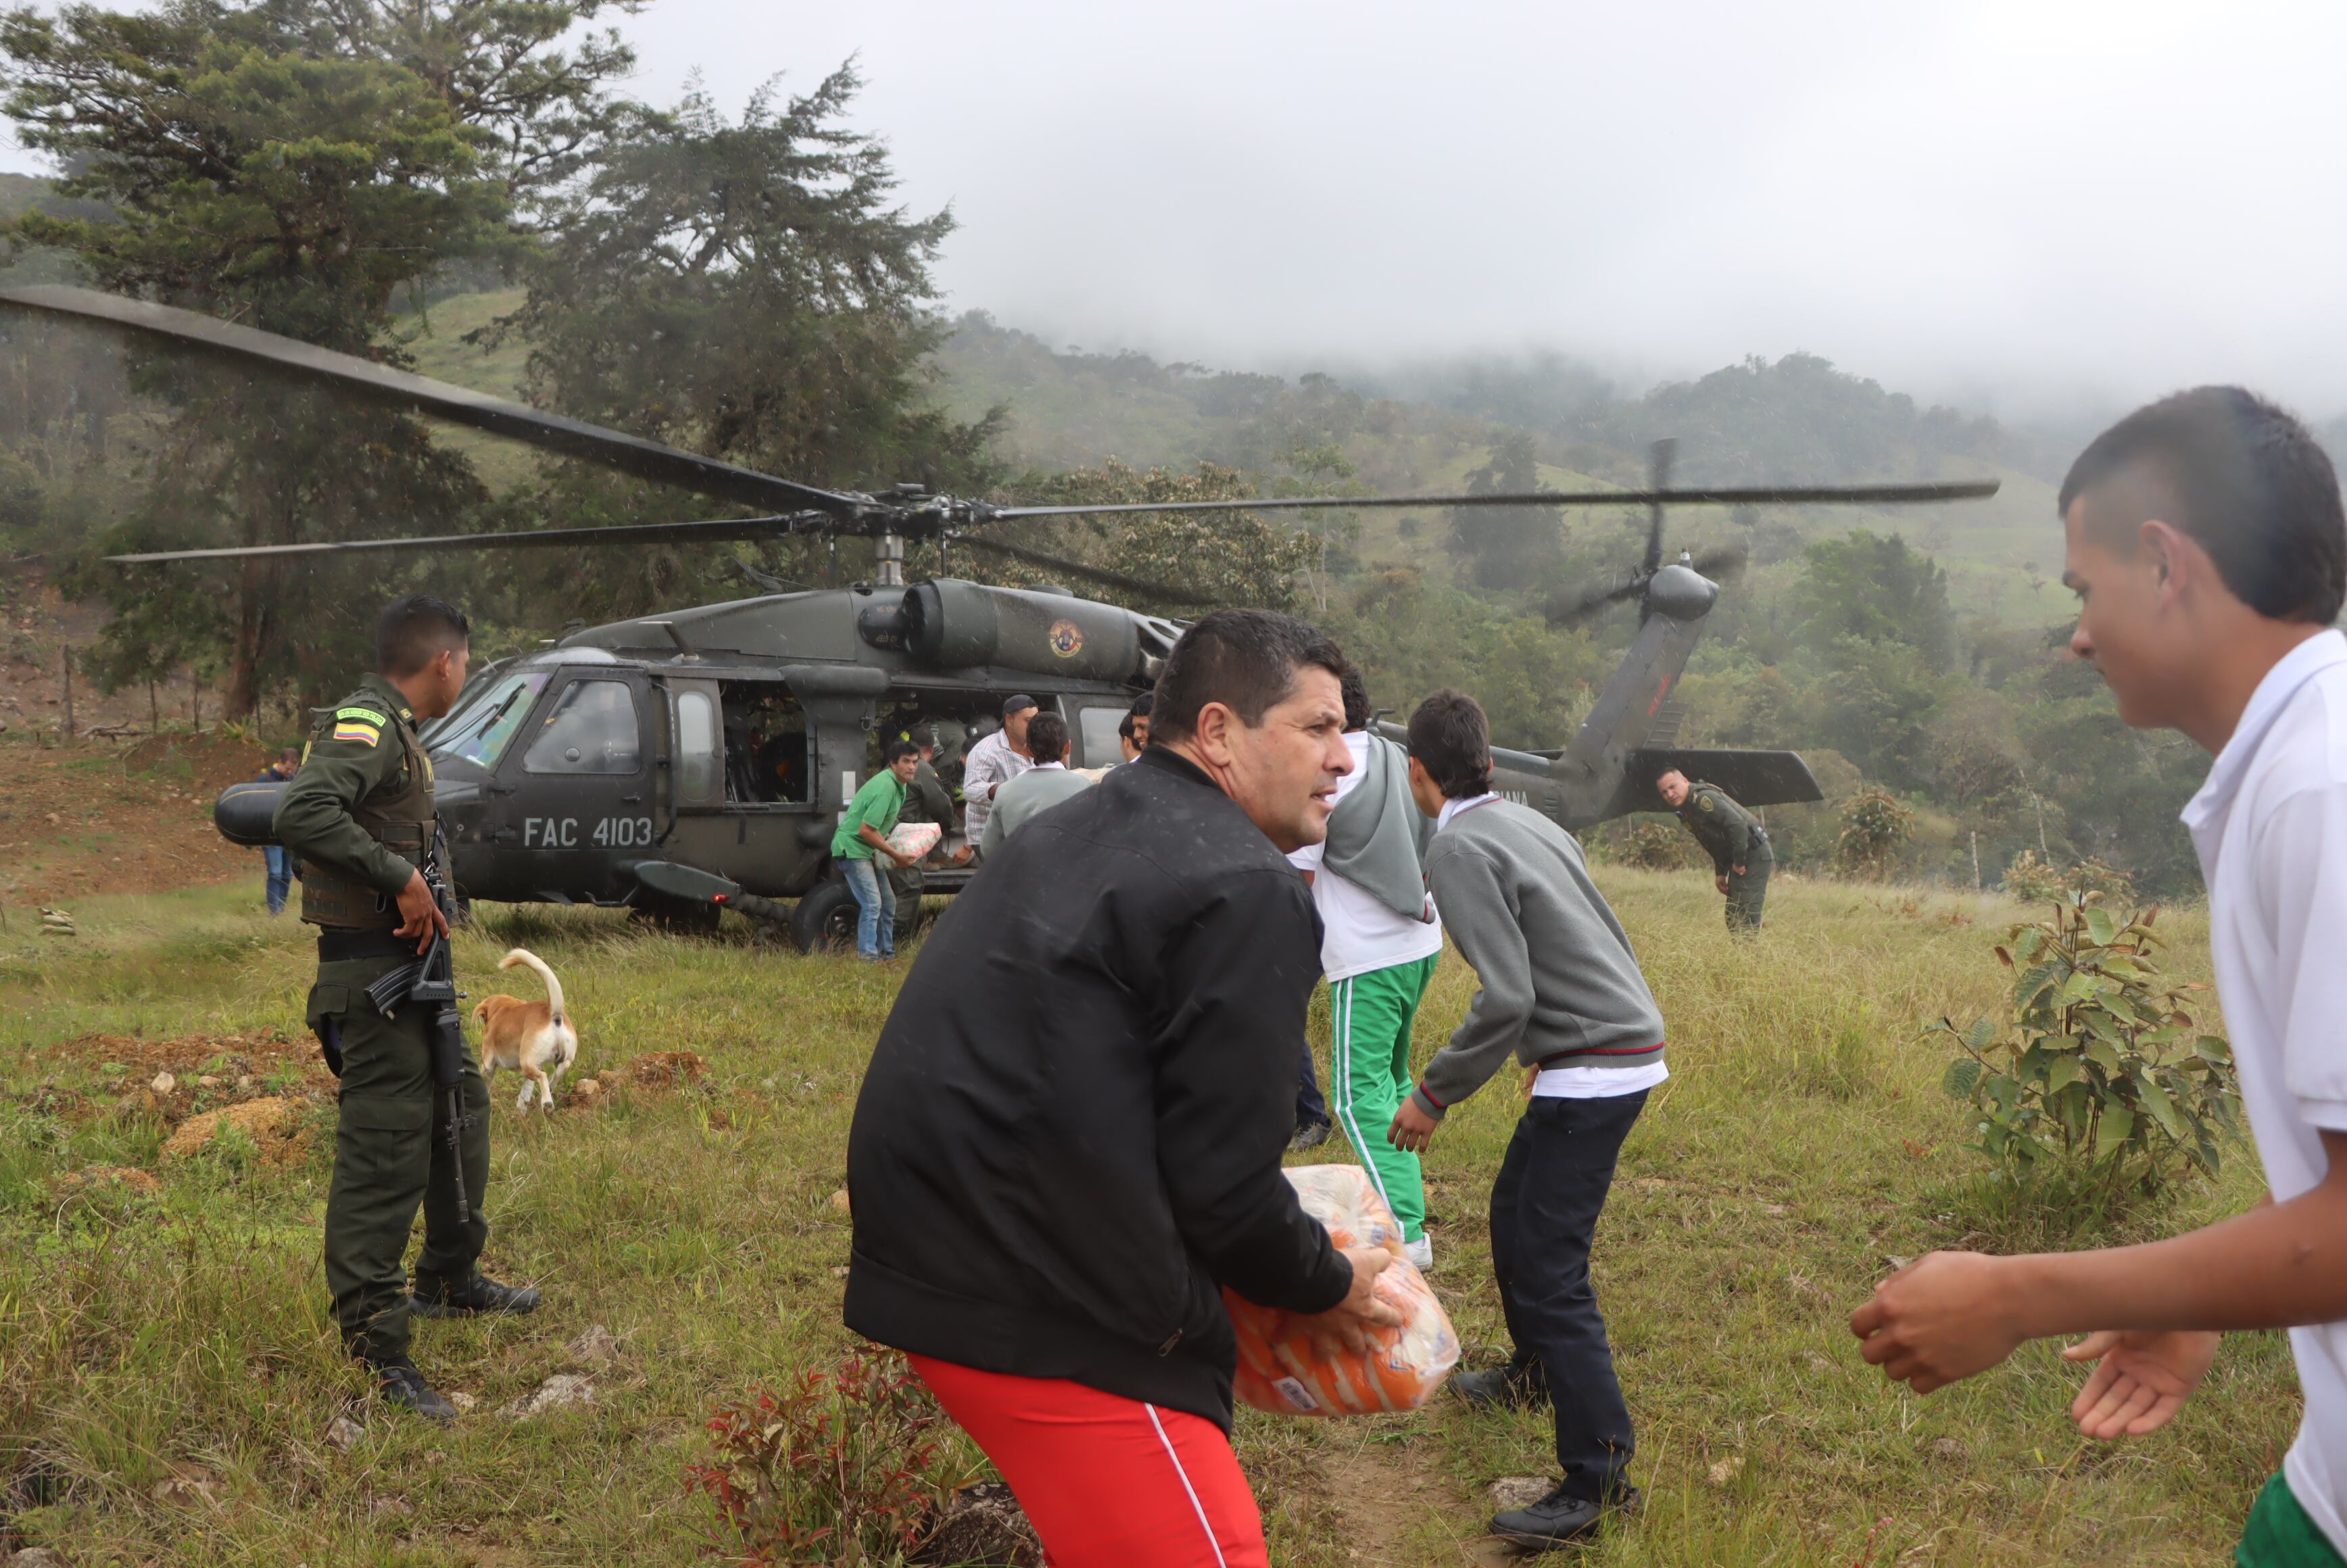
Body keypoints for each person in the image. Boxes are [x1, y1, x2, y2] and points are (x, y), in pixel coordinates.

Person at [1849, 388, 2347, 1568]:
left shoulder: (2320, 790)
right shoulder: (2292, 767)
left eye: (2082, 589)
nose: (2075, 634)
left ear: (2164, 564)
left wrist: (2023, 1294)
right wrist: (2185, 1295)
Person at [845, 610, 1401, 1568]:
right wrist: (1325, 1281)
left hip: (932, 1258)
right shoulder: (1242, 884)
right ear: (1219, 730)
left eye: (1343, 733)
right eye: (1316, 728)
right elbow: (1226, 1191)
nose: (1343, 760)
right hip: (1051, 1300)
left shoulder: (1075, 826)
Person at [1388, 687, 1664, 1550]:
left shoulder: (1459, 845)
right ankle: (1532, 1371)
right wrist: (1562, 1036)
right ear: (1490, 759)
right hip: (1605, 1048)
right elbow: (1590, 935)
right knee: (1514, 1212)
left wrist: (1432, 1094)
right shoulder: (1527, 820)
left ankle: (1599, 1478)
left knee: (1553, 1272)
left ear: (1419, 773)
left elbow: (1506, 993)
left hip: (1595, 1068)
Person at [274, 594, 539, 1421]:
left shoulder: (402, 733)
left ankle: (451, 1278)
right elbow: (303, 810)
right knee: (384, 1155)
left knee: (461, 1108)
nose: (464, 672)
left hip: (421, 974)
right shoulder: (367, 721)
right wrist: (400, 876)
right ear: (444, 662)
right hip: (374, 980)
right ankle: (376, 1347)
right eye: (466, 661)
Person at [1286, 667, 1442, 1267]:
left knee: (1355, 1098)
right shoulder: (1394, 754)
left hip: (1366, 954)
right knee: (1394, 1085)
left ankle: (1407, 1230)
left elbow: (1298, 877)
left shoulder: (1325, 776)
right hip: (1418, 941)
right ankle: (1401, 1196)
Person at [831, 737, 923, 961]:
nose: (911, 766)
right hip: (853, 849)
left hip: (868, 849)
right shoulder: (886, 787)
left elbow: (878, 827)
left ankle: (886, 954)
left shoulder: (898, 785)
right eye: (906, 761)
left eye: (915, 762)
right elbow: (866, 830)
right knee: (872, 903)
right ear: (893, 763)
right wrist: (896, 855)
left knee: (888, 902)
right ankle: (868, 958)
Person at [1655, 768, 1771, 931]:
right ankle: (1743, 954)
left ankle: (1753, 955)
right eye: (1664, 792)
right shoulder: (1688, 809)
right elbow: (1714, 843)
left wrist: (1739, 862)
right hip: (1740, 855)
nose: (1670, 794)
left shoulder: (1703, 798)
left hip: (1753, 853)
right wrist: (1721, 872)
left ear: (1685, 781)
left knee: (1745, 915)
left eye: (1673, 787)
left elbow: (1738, 825)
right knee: (1733, 915)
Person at [977, 711, 1091, 855]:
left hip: (1021, 874)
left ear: (1028, 751)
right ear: (1068, 746)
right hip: (1069, 874)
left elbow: (988, 850)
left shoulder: (1005, 791)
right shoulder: (1085, 787)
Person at [890, 726, 957, 950]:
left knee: (890, 889)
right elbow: (940, 804)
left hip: (887, 831)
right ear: (929, 749)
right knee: (910, 886)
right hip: (904, 834)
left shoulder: (896, 764)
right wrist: (947, 826)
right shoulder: (922, 768)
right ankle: (895, 942)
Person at [960, 694, 1037, 850]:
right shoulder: (987, 750)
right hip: (990, 838)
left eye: (1037, 721)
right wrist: (1002, 790)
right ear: (1009, 720)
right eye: (1028, 721)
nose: (1034, 726)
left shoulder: (1037, 746)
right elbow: (970, 790)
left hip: (1023, 833)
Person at [256, 747, 299, 914]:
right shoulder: (263, 781)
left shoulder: (294, 781)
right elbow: (255, 811)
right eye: (287, 768)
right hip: (270, 835)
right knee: (275, 872)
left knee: (287, 873)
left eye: (292, 770)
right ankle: (274, 911)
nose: (289, 772)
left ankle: (282, 907)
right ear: (280, 762)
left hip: (288, 836)